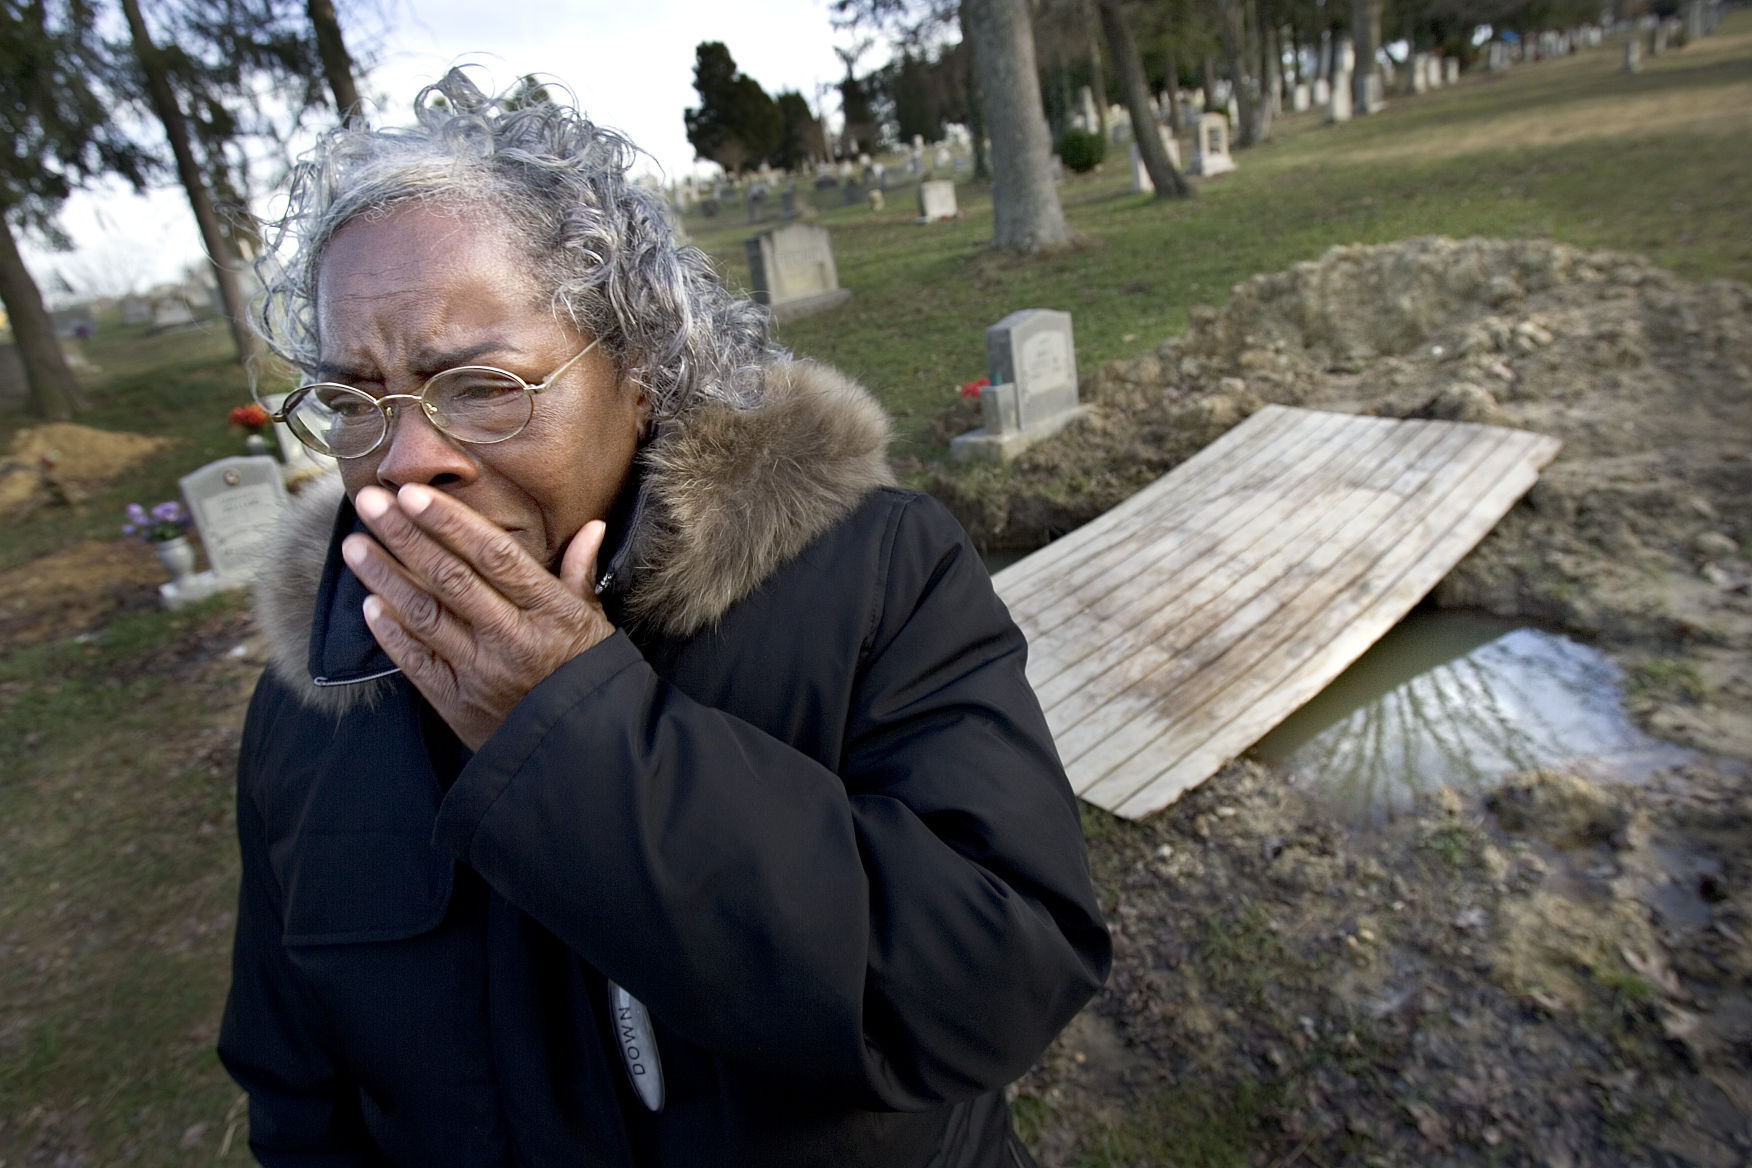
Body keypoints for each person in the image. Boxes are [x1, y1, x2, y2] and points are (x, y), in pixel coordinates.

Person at [219, 67, 1109, 1168]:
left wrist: (575, 737)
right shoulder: (314, 701)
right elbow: (299, 1097)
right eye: (354, 405)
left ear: (640, 370)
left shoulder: (868, 574)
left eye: (483, 385)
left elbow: (1002, 975)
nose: (406, 463)